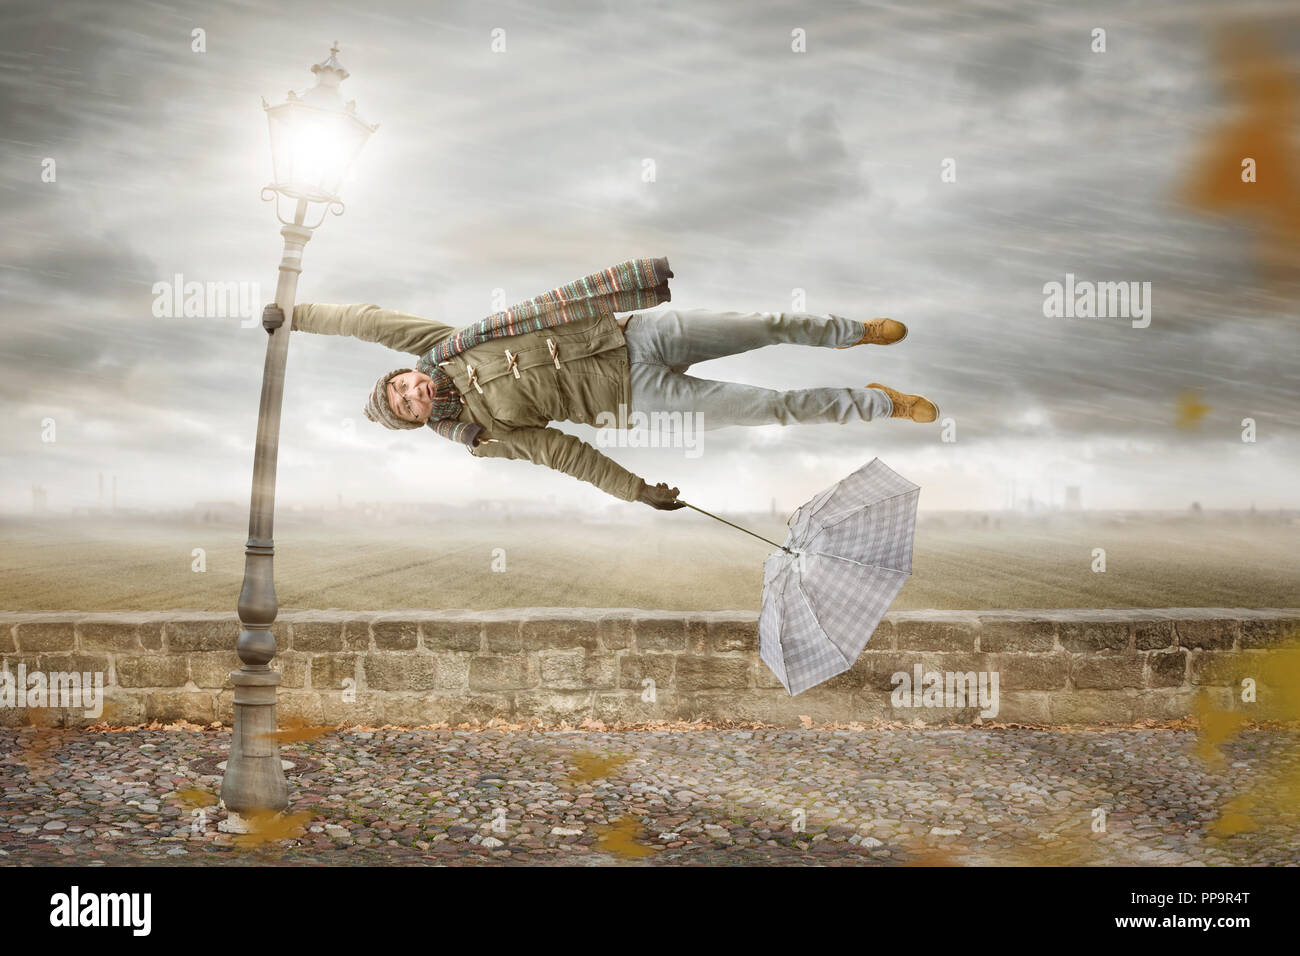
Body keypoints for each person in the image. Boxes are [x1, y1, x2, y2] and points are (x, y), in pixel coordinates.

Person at [260, 256, 939, 510]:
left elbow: (366, 318)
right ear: (417, 421)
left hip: (634, 336)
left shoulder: (441, 345)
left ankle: (853, 331)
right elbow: (565, 455)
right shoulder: (482, 433)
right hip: (636, 400)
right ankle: (881, 401)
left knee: (761, 325)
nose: (412, 395)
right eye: (405, 409)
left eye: (402, 387)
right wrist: (636, 491)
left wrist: (297, 316)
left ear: (408, 372)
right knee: (772, 409)